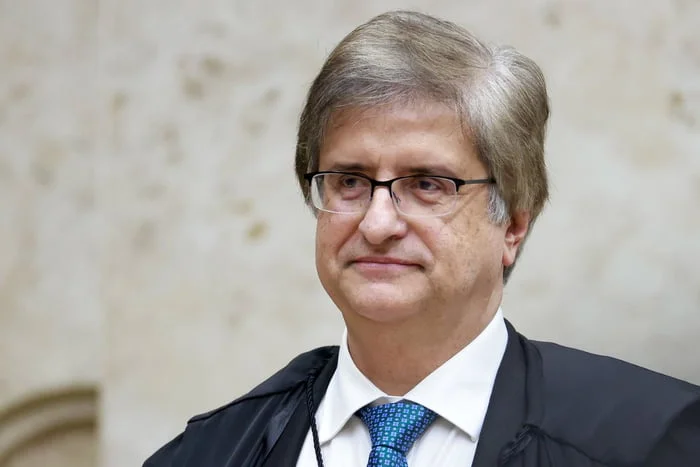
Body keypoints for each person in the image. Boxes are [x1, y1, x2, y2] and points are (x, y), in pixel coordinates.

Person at [143, 10, 700, 467]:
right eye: (350, 181)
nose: (377, 223)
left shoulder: (648, 440)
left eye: (428, 184)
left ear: (513, 224)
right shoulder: (208, 453)